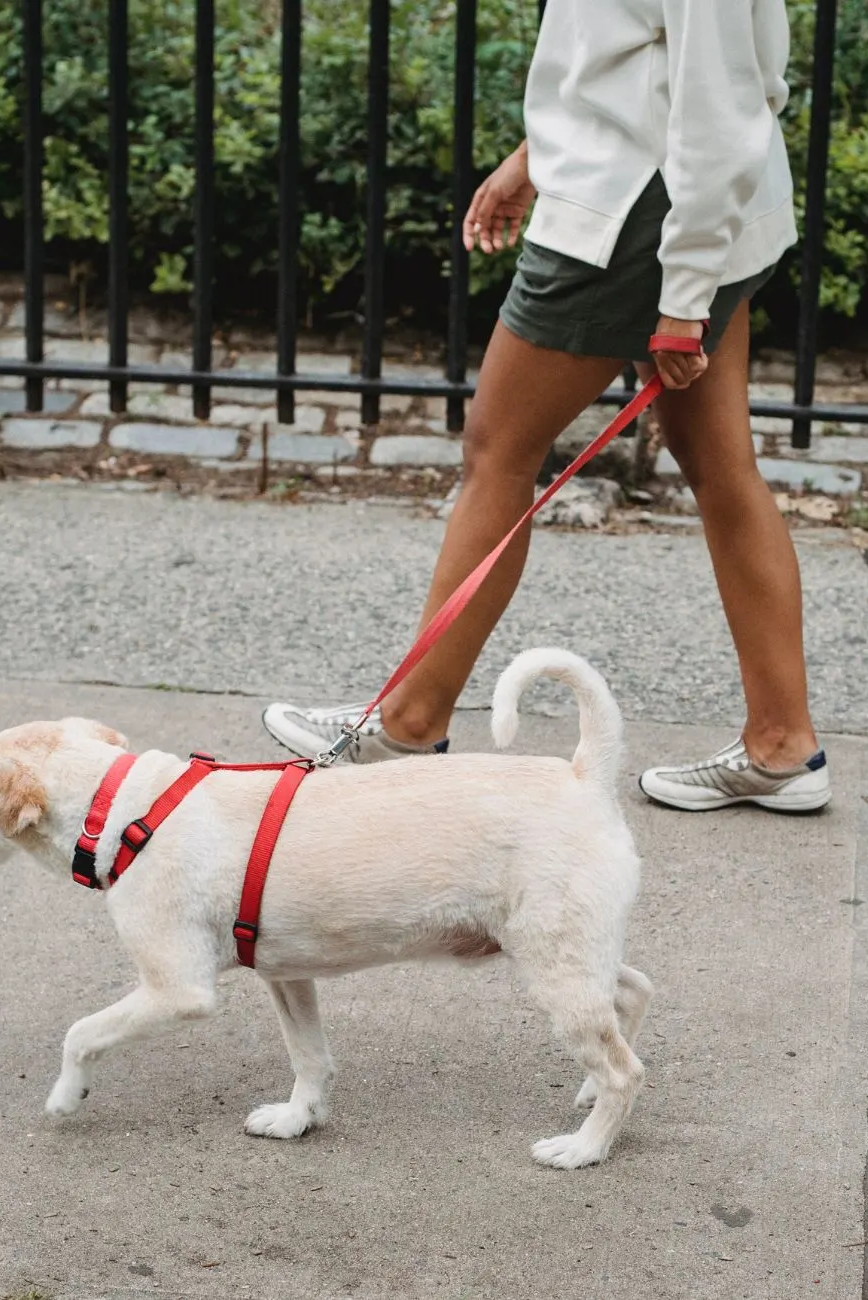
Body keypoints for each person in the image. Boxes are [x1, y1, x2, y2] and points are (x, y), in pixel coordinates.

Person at [263, 0, 828, 813]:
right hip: (666, 203)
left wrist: (682, 298)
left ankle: (408, 724)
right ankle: (782, 744)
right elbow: (627, 47)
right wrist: (537, 155)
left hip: (637, 217)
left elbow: (722, 100)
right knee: (721, 467)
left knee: (499, 452)